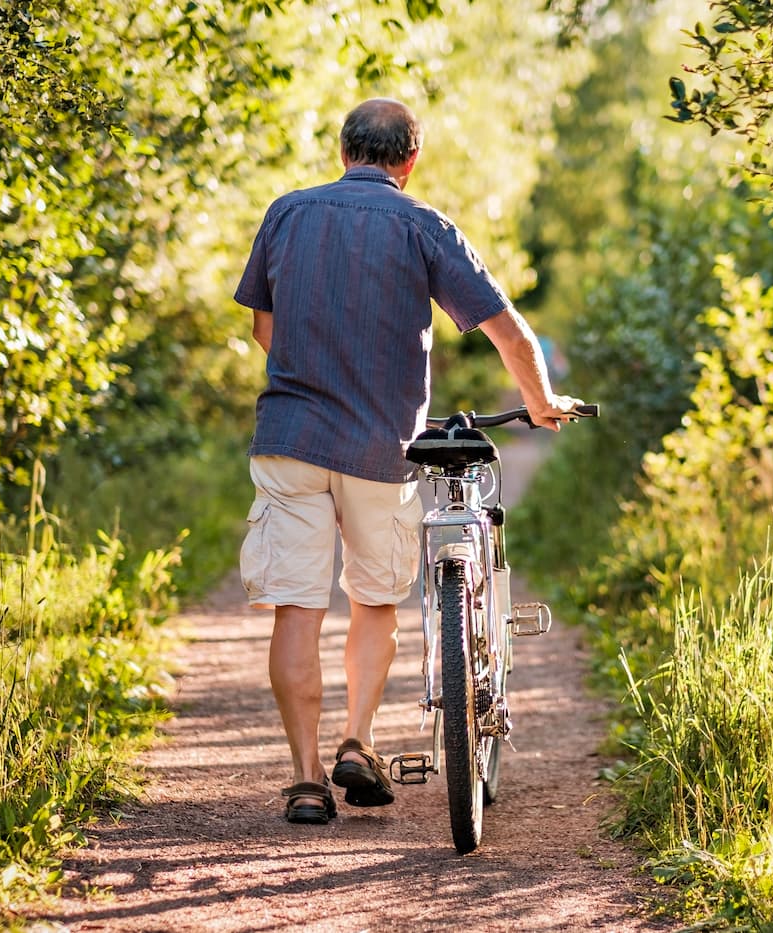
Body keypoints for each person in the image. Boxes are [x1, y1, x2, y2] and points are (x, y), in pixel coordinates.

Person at [233, 97, 578, 825]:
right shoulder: (423, 224)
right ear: (410, 160)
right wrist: (540, 400)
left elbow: (267, 327)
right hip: (379, 447)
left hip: (291, 438)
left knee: (297, 608)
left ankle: (304, 780)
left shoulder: (286, 214)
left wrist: (314, 380)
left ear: (342, 151)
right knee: (374, 600)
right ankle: (357, 739)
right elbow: (506, 328)